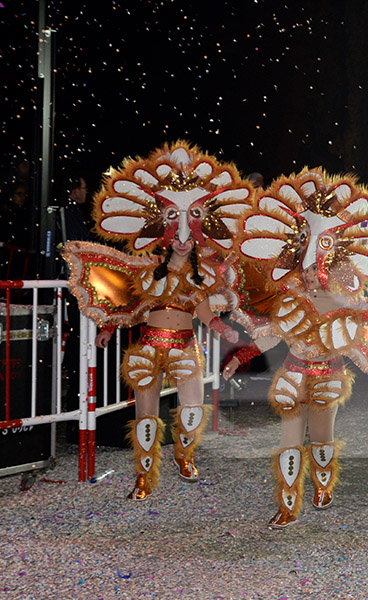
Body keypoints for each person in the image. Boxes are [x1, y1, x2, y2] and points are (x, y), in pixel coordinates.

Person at [227, 169, 368, 528]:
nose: (309, 275)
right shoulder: (290, 300)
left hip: (328, 377)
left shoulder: (344, 304)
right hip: (293, 374)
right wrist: (240, 358)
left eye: (315, 268)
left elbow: (358, 345)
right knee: (290, 440)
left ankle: (323, 482)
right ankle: (288, 505)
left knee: (321, 438)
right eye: (304, 268)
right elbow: (274, 334)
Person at [62, 143, 253, 500]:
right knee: (146, 418)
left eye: (187, 238)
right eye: (175, 237)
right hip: (148, 346)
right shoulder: (150, 272)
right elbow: (133, 306)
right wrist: (107, 328)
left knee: (192, 410)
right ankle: (143, 477)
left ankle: (184, 455)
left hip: (184, 346)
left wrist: (220, 327)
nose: (181, 243)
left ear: (195, 239)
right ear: (166, 237)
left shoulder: (202, 278)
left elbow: (204, 311)